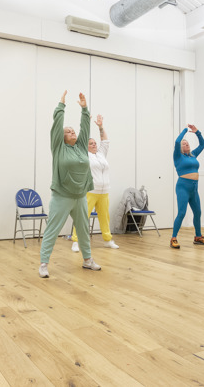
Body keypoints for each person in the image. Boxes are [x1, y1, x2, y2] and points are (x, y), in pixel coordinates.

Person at [39, 91, 101, 278]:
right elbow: (57, 126)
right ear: (62, 137)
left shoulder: (81, 146)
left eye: (72, 130)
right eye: (68, 131)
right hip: (62, 196)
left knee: (83, 229)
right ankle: (43, 263)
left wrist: (84, 108)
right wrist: (61, 106)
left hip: (80, 196)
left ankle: (87, 260)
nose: (72, 132)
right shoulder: (58, 147)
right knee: (53, 229)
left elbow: (85, 127)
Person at [71, 114, 119, 252]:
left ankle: (107, 240)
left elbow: (105, 141)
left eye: (94, 143)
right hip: (91, 191)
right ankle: (75, 241)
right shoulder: (84, 155)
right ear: (85, 146)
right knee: (82, 217)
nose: (94, 145)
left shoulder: (101, 154)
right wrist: (85, 121)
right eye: (91, 143)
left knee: (105, 218)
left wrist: (101, 127)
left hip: (104, 192)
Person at [171, 124, 204, 249]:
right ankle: (173, 238)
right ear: (180, 148)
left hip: (194, 189)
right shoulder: (178, 156)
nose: (186, 144)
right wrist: (185, 131)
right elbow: (177, 141)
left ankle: (198, 237)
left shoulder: (193, 155)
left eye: (187, 143)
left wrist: (197, 132)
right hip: (183, 187)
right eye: (184, 144)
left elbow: (203, 145)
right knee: (182, 213)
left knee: (198, 212)